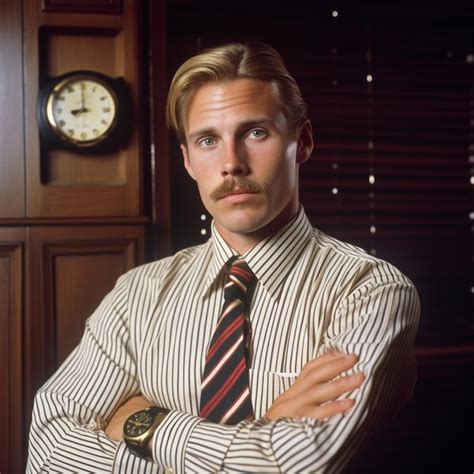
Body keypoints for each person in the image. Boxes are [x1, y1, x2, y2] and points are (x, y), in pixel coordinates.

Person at [27, 42, 420, 473]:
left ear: (301, 141)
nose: (231, 163)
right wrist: (265, 432)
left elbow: (301, 464)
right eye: (208, 140)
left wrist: (146, 424)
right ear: (188, 160)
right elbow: (49, 450)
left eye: (255, 132)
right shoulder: (138, 294)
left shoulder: (369, 291)